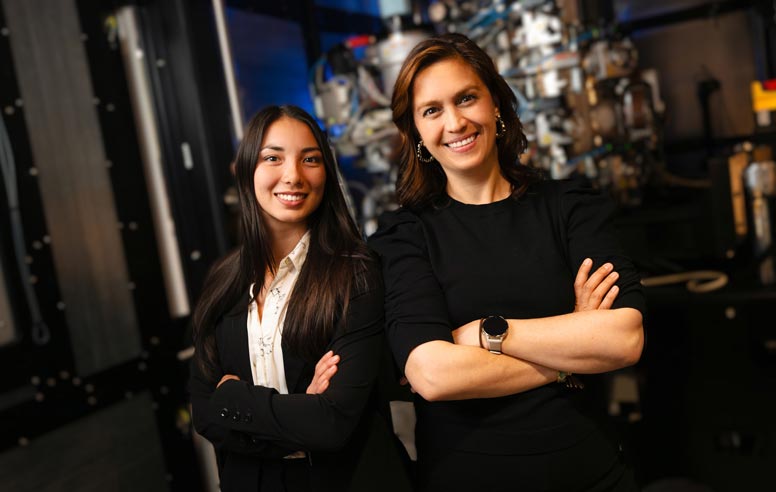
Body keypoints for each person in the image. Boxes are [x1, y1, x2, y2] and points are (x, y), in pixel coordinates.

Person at [367, 33, 646, 491]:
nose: (455, 122)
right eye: (432, 110)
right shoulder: (404, 237)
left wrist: (488, 333)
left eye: (466, 98)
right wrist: (571, 352)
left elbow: (623, 339)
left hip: (592, 476)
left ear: (495, 103)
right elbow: (433, 374)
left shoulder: (570, 207)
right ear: (415, 133)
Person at [188, 105, 412, 492]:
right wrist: (296, 412)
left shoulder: (356, 273)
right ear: (246, 171)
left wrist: (236, 398)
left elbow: (331, 424)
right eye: (273, 158)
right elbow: (205, 415)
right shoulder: (223, 280)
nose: (293, 175)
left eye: (310, 159)